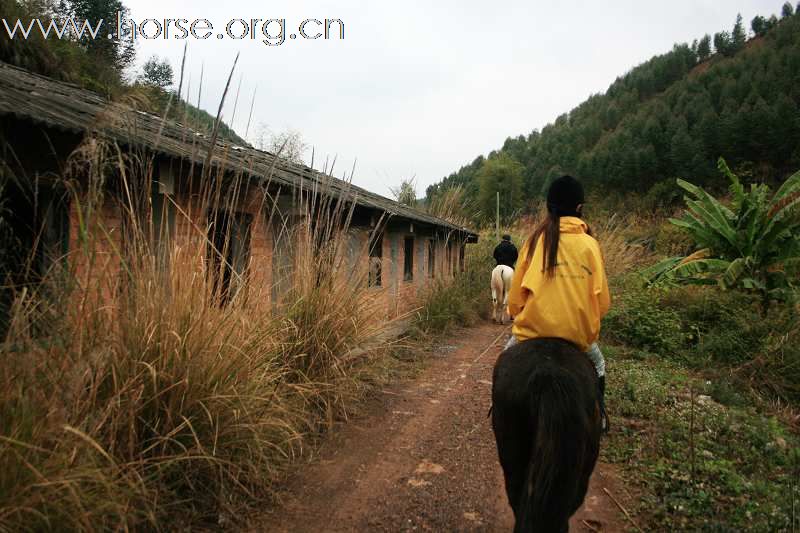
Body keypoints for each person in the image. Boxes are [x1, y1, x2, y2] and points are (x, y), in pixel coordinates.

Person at [505, 175, 611, 432]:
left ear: (548, 208)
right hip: (578, 338)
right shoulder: (590, 245)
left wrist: (515, 314)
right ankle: (601, 414)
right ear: (579, 209)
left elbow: (516, 297)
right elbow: (603, 302)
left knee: (506, 360)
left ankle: (503, 413)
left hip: (532, 333)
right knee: (598, 365)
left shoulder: (534, 241)